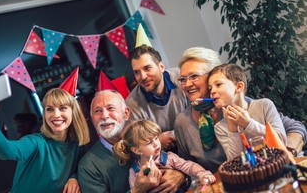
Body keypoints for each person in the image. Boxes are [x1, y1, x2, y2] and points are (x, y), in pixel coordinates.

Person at [174, 47, 306, 173]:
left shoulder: (242, 103)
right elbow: (186, 166)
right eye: (183, 79)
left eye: (194, 76)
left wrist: (286, 153)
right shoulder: (183, 122)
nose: (187, 84)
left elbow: (294, 128)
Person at [78, 90, 187, 193]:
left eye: (111, 108)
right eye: (97, 111)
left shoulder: (151, 139)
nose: (104, 116)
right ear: (93, 120)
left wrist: (182, 176)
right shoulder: (89, 165)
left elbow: (186, 165)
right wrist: (136, 192)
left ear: (126, 114)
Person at [113, 119, 215, 193]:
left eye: (156, 138)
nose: (156, 144)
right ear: (137, 150)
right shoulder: (135, 172)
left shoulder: (168, 157)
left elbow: (189, 166)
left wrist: (203, 173)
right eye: (149, 142)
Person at [208, 63, 286, 159]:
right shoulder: (220, 128)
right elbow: (235, 161)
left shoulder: (264, 105)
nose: (212, 91)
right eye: (210, 88)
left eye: (218, 84)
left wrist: (248, 124)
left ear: (239, 87)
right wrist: (233, 129)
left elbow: (281, 141)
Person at [126, 45, 188, 151]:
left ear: (161, 67)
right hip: (166, 158)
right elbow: (138, 144)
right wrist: (157, 140)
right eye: (137, 72)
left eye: (147, 68)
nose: (143, 76)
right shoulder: (132, 105)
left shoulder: (182, 78)